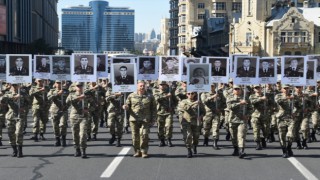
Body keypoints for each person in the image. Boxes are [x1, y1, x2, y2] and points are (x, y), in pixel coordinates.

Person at [123, 80, 157, 158]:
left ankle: (144, 151)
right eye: (140, 86)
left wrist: (154, 119)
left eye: (143, 86)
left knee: (144, 135)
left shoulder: (150, 96)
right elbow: (127, 105)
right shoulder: (131, 95)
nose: (142, 87)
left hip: (145, 119)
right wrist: (125, 107)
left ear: (145, 87)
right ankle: (137, 151)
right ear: (137, 87)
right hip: (134, 119)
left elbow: (154, 108)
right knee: (135, 136)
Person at [66, 82, 95, 158]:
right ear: (75, 87)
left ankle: (83, 150)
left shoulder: (87, 95)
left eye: (81, 86)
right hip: (74, 116)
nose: (79, 87)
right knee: (75, 134)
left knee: (82, 134)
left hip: (84, 117)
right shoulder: (71, 95)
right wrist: (79, 98)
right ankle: (77, 148)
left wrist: (88, 109)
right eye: (78, 86)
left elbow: (94, 105)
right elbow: (67, 102)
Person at [2, 83, 31, 158]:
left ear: (18, 85)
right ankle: (14, 150)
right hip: (10, 116)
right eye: (13, 85)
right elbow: (2, 100)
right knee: (11, 134)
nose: (14, 86)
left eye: (16, 85)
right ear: (11, 85)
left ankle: (20, 151)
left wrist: (24, 108)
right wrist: (13, 96)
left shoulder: (23, 93)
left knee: (18, 132)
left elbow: (29, 103)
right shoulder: (7, 93)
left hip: (20, 116)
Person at [275, 85, 302, 158]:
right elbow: (278, 101)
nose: (286, 90)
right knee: (282, 136)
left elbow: (299, 107)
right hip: (281, 118)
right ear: (281, 89)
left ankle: (289, 147)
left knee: (291, 134)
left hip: (291, 118)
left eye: (287, 88)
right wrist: (288, 98)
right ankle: (284, 151)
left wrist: (295, 112)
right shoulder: (278, 96)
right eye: (285, 88)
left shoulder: (294, 97)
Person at [178, 91, 205, 158]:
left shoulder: (199, 102)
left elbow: (203, 112)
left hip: (195, 121)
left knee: (196, 136)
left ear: (194, 94)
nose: (190, 95)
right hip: (186, 121)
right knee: (188, 136)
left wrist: (201, 116)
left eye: (192, 94)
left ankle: (194, 145)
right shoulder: (183, 101)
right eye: (188, 94)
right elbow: (186, 108)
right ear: (186, 94)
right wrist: (195, 103)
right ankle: (189, 150)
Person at [227, 85, 250, 158]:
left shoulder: (245, 97)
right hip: (233, 119)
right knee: (233, 137)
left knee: (241, 135)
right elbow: (230, 107)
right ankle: (236, 149)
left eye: (238, 89)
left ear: (241, 90)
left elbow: (251, 107)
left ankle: (241, 151)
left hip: (242, 120)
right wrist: (240, 103)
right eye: (235, 89)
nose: (237, 90)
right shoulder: (230, 97)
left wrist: (248, 115)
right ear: (233, 90)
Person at [201, 84, 225, 149]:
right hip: (207, 114)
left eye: (213, 86)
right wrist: (212, 97)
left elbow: (224, 103)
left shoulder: (220, 93)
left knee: (216, 128)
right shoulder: (205, 93)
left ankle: (215, 143)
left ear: (215, 87)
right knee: (206, 128)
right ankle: (206, 138)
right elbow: (204, 101)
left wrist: (220, 109)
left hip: (216, 114)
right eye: (210, 86)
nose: (211, 87)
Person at [47, 80, 70, 147]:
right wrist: (57, 94)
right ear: (55, 84)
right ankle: (57, 139)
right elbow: (49, 98)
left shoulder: (66, 91)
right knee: (55, 126)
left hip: (63, 110)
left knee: (63, 125)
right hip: (54, 110)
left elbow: (70, 100)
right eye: (58, 83)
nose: (59, 84)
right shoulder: (52, 91)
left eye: (60, 83)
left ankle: (63, 139)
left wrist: (66, 106)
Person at [153, 81, 174, 147]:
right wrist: (166, 96)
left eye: (164, 85)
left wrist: (172, 107)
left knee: (169, 126)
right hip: (159, 112)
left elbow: (176, 101)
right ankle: (162, 140)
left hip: (168, 112)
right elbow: (157, 99)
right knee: (160, 127)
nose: (162, 86)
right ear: (159, 86)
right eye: (161, 85)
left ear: (166, 85)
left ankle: (168, 139)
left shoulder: (170, 91)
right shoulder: (156, 91)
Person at [249, 85, 269, 150]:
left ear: (261, 88)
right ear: (254, 89)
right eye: (256, 88)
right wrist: (261, 98)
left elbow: (272, 103)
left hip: (265, 115)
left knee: (266, 130)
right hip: (255, 115)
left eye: (258, 88)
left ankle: (263, 138)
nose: (257, 89)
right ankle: (258, 143)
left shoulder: (266, 95)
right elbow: (252, 102)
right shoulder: (252, 96)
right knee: (256, 130)